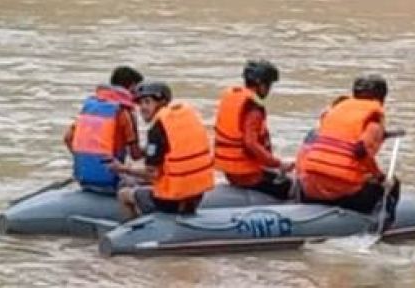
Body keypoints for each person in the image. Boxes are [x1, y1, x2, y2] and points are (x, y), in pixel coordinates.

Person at [297, 74, 400, 218]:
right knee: (393, 184)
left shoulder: (333, 112)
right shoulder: (373, 121)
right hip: (343, 194)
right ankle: (386, 224)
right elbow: (360, 151)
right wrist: (379, 176)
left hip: (310, 190)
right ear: (381, 97)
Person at [110, 81, 215, 218]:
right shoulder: (185, 118)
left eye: (147, 102)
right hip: (196, 195)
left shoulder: (156, 129)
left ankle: (133, 233)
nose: (142, 108)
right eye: (140, 103)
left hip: (172, 200)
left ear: (162, 102)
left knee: (124, 194)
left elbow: (152, 174)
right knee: (139, 180)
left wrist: (123, 169)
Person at [212, 60, 292, 200]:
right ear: (262, 84)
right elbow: (251, 143)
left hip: (230, 170)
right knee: (287, 186)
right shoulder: (253, 108)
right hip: (246, 175)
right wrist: (278, 163)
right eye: (269, 85)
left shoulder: (232, 97)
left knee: (272, 174)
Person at [65, 66, 144, 194]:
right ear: (132, 87)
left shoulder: (91, 107)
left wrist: (87, 160)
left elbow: (68, 138)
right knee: (147, 179)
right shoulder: (124, 112)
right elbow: (135, 155)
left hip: (83, 180)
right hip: (111, 181)